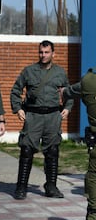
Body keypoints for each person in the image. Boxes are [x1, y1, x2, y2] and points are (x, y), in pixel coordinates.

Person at [10, 40, 73, 200]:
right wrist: (18, 109)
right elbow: (16, 90)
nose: (43, 55)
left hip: (53, 116)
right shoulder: (29, 71)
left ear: (53, 53)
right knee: (26, 150)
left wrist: (67, 107)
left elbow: (68, 92)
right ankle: (21, 187)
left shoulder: (60, 72)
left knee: (52, 151)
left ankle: (51, 186)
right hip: (33, 116)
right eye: (41, 52)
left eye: (46, 52)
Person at [59, 67, 96, 220]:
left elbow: (68, 92)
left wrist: (63, 92)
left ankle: (93, 214)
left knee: (94, 176)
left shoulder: (88, 82)